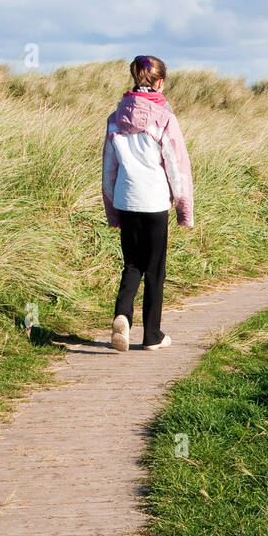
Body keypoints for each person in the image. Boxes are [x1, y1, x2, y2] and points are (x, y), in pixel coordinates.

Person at [101, 55, 194, 351]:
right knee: (154, 270)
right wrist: (183, 210)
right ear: (160, 82)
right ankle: (152, 335)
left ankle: (122, 316)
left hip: (126, 200)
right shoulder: (165, 118)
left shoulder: (115, 118)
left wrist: (111, 209)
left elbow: (109, 170)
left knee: (131, 265)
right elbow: (177, 169)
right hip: (154, 203)